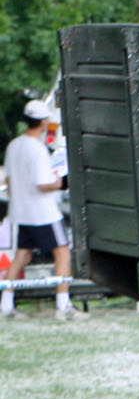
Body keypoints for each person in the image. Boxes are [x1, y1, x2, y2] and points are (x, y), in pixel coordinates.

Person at [2, 98, 81, 319]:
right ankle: (63, 305)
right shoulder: (37, 150)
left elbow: (9, 180)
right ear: (43, 122)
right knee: (63, 253)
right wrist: (63, 181)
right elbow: (43, 184)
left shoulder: (13, 145)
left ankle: (6, 304)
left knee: (21, 256)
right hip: (43, 213)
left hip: (21, 211)